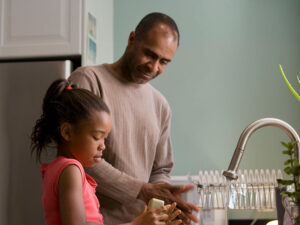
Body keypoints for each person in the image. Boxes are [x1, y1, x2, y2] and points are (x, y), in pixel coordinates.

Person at [68, 12, 198, 225]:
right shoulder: (88, 80)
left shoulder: (160, 105)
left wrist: (165, 204)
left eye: (164, 62)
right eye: (150, 54)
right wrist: (141, 190)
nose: (154, 67)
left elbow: (161, 169)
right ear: (132, 39)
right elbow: (78, 156)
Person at [30, 79, 182, 225]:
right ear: (67, 132)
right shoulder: (71, 170)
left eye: (105, 138)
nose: (103, 146)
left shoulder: (57, 168)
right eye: (97, 137)